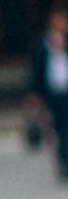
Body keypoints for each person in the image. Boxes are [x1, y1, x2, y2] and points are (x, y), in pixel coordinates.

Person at [28, 11, 68, 181]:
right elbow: (35, 70)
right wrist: (34, 93)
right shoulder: (43, 44)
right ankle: (64, 163)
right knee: (60, 130)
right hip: (53, 95)